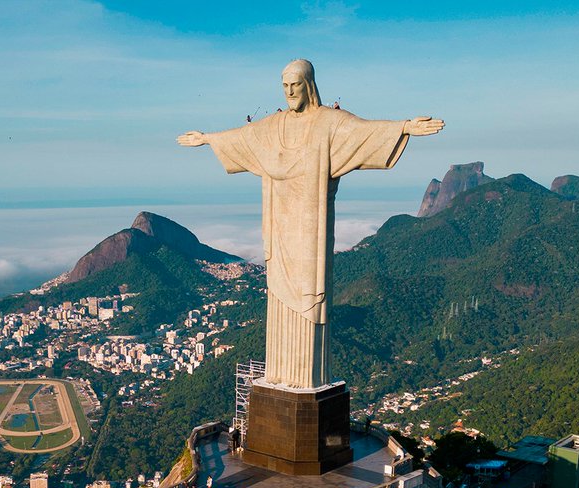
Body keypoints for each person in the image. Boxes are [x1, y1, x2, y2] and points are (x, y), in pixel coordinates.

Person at [178, 59, 443, 389]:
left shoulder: (329, 123)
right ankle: (279, 377)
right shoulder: (273, 126)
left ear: (309, 85)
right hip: (279, 229)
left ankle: (308, 380)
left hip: (310, 232)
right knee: (279, 301)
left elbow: (364, 131)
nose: (289, 91)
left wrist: (403, 126)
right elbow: (244, 138)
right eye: (284, 86)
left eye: (296, 85)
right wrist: (207, 138)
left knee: (310, 299)